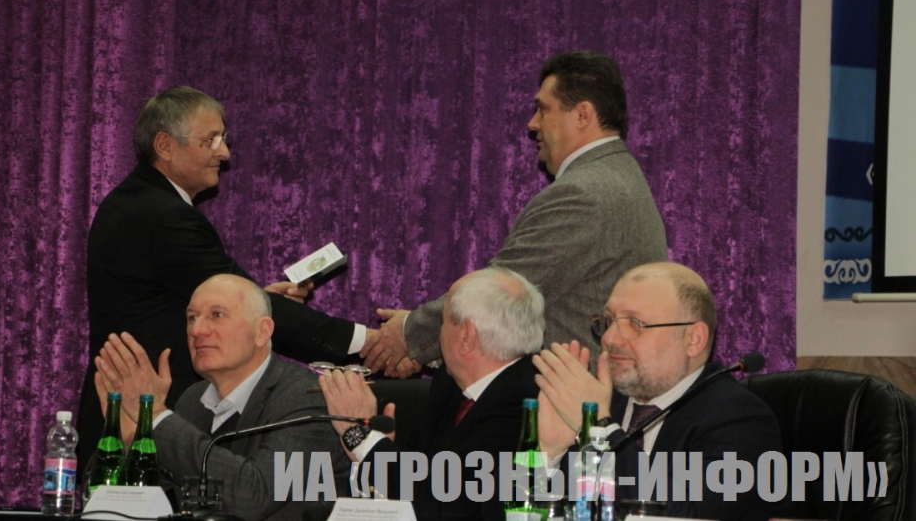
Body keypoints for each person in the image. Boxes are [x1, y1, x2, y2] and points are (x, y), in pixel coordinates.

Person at [79, 86, 369, 468]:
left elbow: (182, 295)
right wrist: (364, 343)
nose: (225, 153)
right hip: (146, 423)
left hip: (133, 418)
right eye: (211, 140)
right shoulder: (165, 216)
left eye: (223, 139)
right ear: (165, 145)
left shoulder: (140, 203)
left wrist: (257, 300)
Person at [366, 51, 668, 375]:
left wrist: (408, 335)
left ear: (582, 115)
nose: (532, 124)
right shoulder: (619, 176)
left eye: (543, 109)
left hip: (572, 397)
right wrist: (435, 345)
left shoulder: (583, 194)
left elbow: (497, 297)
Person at [533, 262, 782, 521]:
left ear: (693, 339)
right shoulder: (604, 404)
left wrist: (599, 428)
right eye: (608, 321)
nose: (609, 338)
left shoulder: (740, 419)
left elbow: (681, 515)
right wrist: (548, 452)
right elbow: (517, 508)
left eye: (635, 323)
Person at [94, 274, 350, 521]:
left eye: (217, 315)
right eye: (192, 317)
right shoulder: (193, 400)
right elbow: (128, 501)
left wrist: (157, 418)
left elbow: (252, 498)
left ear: (262, 331)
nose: (197, 330)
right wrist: (128, 441)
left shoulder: (306, 399)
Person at [319, 267, 545, 520]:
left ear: (466, 336)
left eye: (443, 321)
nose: (438, 332)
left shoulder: (526, 403)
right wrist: (382, 449)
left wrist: (359, 437)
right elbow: (421, 470)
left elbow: (448, 502)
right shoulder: (450, 385)